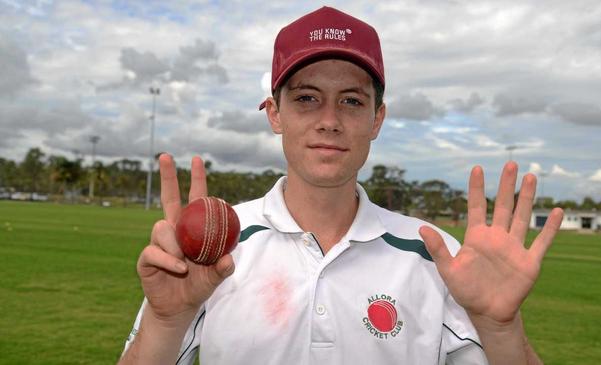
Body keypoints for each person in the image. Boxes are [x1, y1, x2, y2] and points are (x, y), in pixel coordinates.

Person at [119, 6, 563, 365]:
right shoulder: (215, 252)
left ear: (378, 119)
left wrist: (502, 331)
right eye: (306, 98)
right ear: (275, 113)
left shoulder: (434, 255)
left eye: (351, 101)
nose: (329, 121)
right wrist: (166, 321)